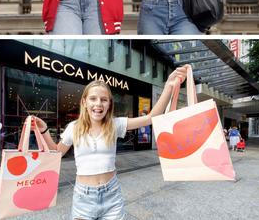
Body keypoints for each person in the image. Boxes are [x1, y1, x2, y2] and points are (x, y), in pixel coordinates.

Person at [32, 65, 189, 220]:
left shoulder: (115, 124)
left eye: (104, 100)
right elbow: (56, 154)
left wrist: (168, 85)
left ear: (109, 104)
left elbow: (150, 117)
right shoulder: (73, 128)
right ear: (84, 102)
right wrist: (44, 130)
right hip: (83, 198)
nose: (98, 104)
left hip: (112, 195)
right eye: (93, 99)